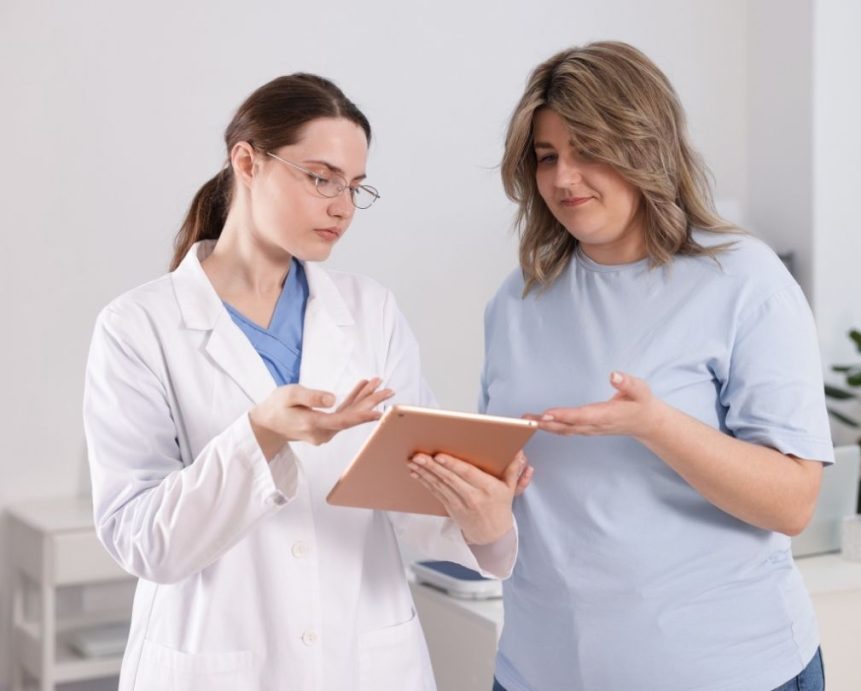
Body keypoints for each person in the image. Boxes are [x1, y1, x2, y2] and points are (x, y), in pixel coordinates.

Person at [83, 73, 529, 691]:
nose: (342, 206)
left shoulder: (370, 311)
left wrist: (482, 518)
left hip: (364, 660)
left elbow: (409, 504)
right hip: (215, 662)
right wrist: (260, 434)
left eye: (355, 187)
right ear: (248, 161)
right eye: (322, 178)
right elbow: (144, 543)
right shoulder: (138, 326)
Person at [482, 42, 833, 691]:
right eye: (547, 156)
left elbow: (792, 501)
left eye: (588, 150)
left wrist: (656, 425)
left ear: (647, 148)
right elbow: (514, 486)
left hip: (727, 671)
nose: (564, 178)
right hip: (539, 669)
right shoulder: (518, 298)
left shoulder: (743, 280)